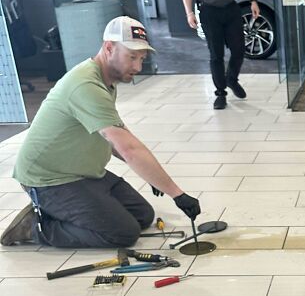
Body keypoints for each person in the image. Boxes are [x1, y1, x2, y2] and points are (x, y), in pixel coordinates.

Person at [1, 16, 201, 248]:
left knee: (143, 216)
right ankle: (36, 227)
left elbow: (121, 139)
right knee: (123, 233)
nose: (137, 67)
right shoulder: (86, 85)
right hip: (49, 179)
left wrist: (152, 175)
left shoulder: (106, 80)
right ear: (109, 48)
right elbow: (129, 149)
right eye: (132, 57)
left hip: (82, 171)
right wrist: (177, 194)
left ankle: (71, 210)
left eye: (142, 58)